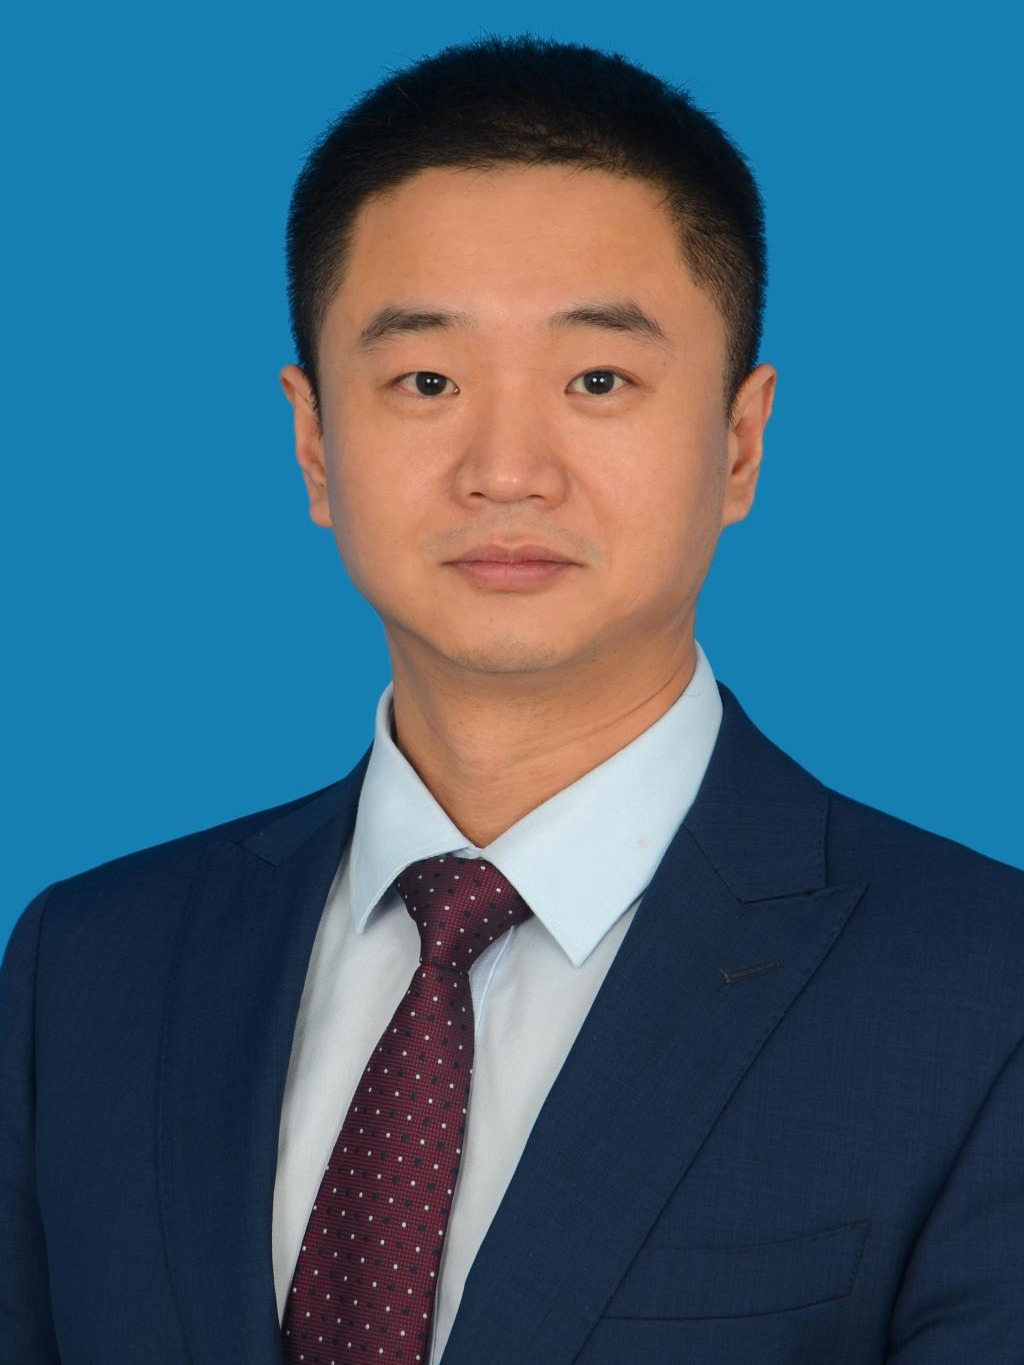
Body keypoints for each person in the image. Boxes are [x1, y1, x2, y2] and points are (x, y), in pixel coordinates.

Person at [2, 33, 1022, 1365]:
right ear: (315, 444)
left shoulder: (985, 990)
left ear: (739, 441)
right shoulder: (89, 967)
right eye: (426, 381)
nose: (506, 469)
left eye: (599, 380)